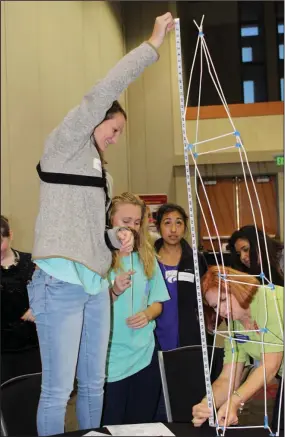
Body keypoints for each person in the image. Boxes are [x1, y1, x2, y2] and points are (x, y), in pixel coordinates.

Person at [27, 13, 175, 436]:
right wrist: (152, 45)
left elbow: (96, 233)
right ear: (96, 119)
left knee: (94, 385)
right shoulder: (65, 144)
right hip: (60, 284)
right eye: (114, 128)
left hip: (95, 286)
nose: (116, 137)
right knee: (59, 391)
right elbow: (104, 89)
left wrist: (118, 236)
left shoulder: (102, 175)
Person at [101, 193, 169, 426]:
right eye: (125, 221)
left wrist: (148, 314)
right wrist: (114, 290)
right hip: (109, 359)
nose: (132, 227)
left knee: (141, 424)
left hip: (144, 355)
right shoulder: (99, 258)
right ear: (110, 220)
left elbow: (158, 302)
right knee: (111, 423)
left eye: (137, 222)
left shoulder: (147, 257)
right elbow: (87, 307)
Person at [192, 266, 283, 432]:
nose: (220, 310)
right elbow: (228, 377)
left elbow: (270, 366)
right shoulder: (233, 322)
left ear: (238, 288)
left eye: (223, 299)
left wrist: (234, 402)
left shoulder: (268, 300)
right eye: (214, 306)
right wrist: (207, 404)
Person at [154, 203, 210, 350]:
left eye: (178, 223)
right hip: (154, 335)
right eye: (167, 223)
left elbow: (207, 299)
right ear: (158, 227)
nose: (173, 229)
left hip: (190, 336)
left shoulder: (195, 259)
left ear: (185, 227)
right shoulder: (148, 259)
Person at [1, 215, 41, 383]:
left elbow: (50, 294)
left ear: (10, 234)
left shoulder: (32, 263)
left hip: (31, 347)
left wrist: (38, 306)